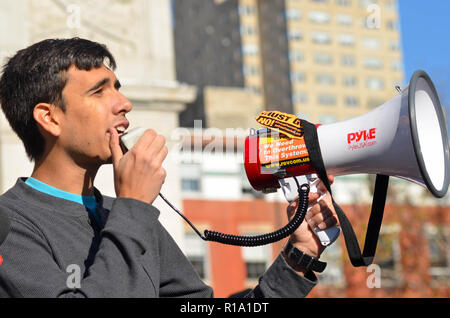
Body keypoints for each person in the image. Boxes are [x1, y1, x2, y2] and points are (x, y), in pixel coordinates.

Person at [0, 38, 338, 298]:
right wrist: (132, 207)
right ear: (49, 118)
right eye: (99, 91)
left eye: (117, 88)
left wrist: (299, 258)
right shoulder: (11, 224)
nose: (124, 103)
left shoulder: (127, 216)